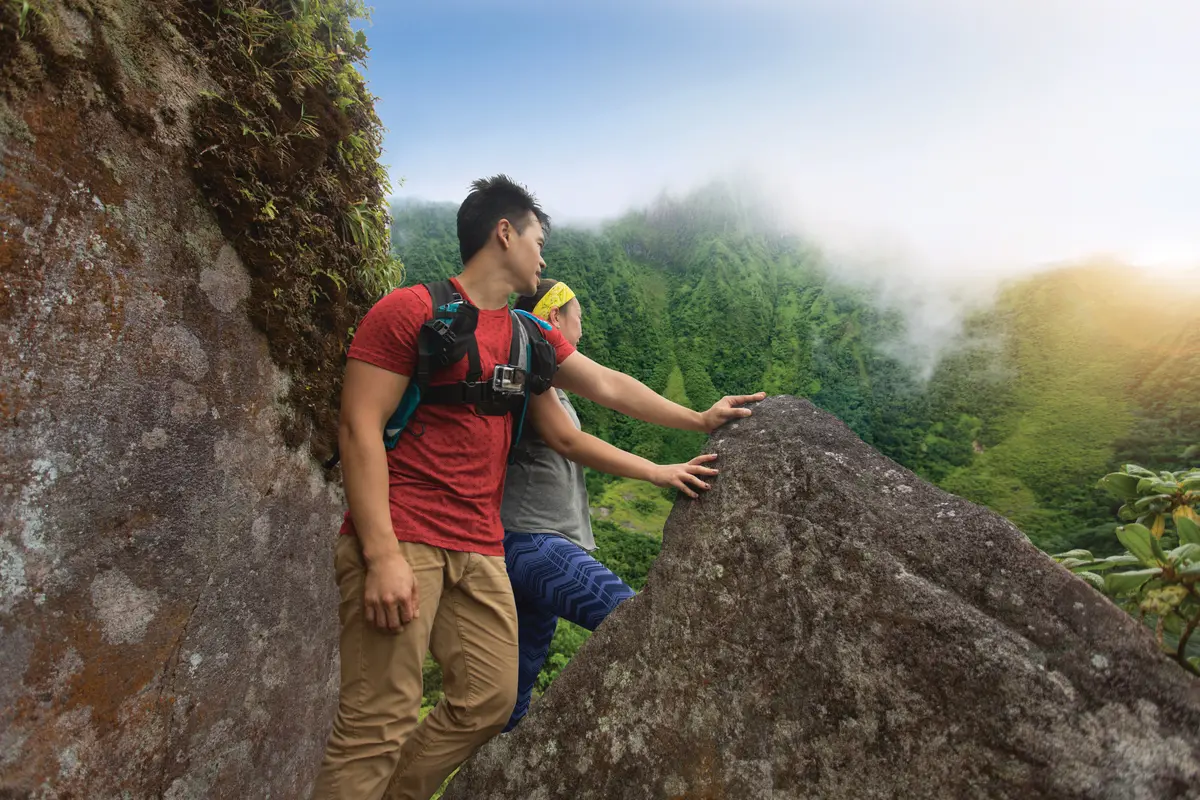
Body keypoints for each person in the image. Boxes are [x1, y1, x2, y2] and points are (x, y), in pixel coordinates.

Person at [311, 175, 763, 800]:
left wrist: (698, 419)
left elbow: (605, 385)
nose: (543, 257)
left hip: (481, 547)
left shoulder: (528, 338)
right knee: (377, 724)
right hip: (404, 535)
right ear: (505, 234)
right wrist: (381, 552)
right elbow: (357, 427)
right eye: (538, 240)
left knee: (491, 701)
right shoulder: (411, 311)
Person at [498, 278, 721, 731]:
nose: (583, 326)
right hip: (535, 544)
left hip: (523, 548)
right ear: (555, 317)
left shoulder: (545, 378)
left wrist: (699, 421)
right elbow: (571, 440)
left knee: (513, 700)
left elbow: (613, 387)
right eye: (578, 315)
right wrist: (657, 470)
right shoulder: (530, 369)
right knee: (637, 621)